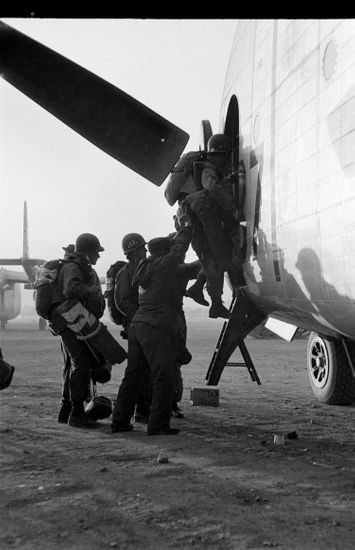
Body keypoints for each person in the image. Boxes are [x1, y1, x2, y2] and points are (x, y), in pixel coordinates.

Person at [111, 225, 192, 436]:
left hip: (138, 326)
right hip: (153, 328)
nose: (144, 251)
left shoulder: (143, 268)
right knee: (163, 376)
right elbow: (179, 253)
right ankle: (157, 424)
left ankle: (119, 421)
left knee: (133, 376)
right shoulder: (160, 266)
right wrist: (187, 229)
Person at [178, 134, 241, 319]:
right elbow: (211, 187)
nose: (225, 159)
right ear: (218, 154)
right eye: (225, 155)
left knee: (215, 257)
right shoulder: (208, 168)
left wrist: (227, 181)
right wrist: (231, 206)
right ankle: (214, 303)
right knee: (214, 258)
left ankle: (199, 289)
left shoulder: (207, 168)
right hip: (199, 223)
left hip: (200, 221)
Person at [49, 233, 107, 429]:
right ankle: (76, 414)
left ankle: (66, 411)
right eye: (96, 253)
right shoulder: (74, 267)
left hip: (67, 320)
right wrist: (90, 291)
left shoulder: (72, 265)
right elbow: (71, 290)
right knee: (81, 364)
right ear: (88, 253)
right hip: (67, 321)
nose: (98, 257)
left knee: (72, 364)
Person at [114, 232, 151, 424]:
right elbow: (121, 301)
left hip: (143, 325)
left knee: (146, 371)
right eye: (142, 248)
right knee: (136, 372)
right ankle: (123, 417)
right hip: (136, 326)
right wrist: (142, 315)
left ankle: (142, 411)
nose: (145, 250)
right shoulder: (126, 273)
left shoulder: (142, 269)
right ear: (134, 251)